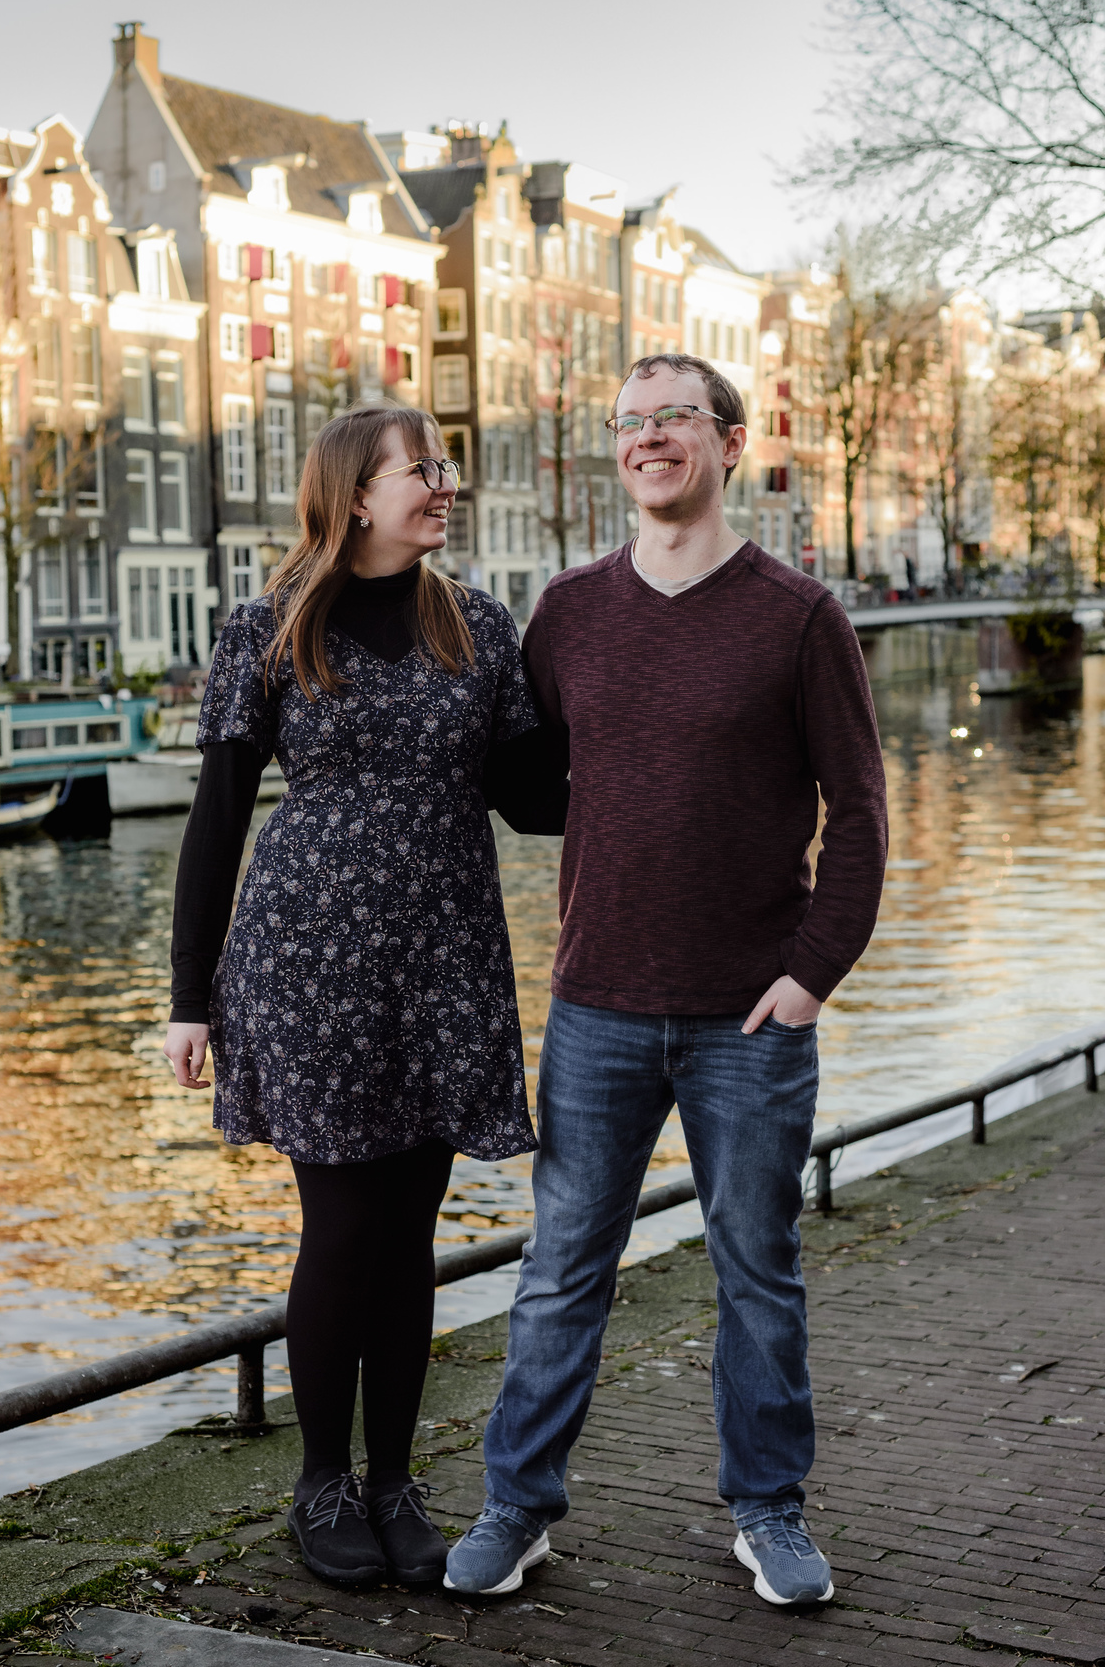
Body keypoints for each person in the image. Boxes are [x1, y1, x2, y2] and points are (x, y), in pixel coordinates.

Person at [445, 354, 888, 1606]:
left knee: (758, 1266)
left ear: (728, 443)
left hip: (753, 1011)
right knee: (561, 1269)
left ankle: (768, 1509)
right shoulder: (568, 612)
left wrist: (811, 975)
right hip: (596, 1005)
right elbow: (527, 788)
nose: (647, 440)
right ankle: (517, 1506)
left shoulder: (801, 616)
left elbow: (858, 813)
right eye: (628, 424)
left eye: (673, 419)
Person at [164, 405, 566, 1589]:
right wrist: (191, 998)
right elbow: (217, 819)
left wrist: (647, 729)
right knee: (343, 1227)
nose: (445, 485)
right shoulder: (271, 625)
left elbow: (530, 799)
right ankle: (322, 1483)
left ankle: (395, 1480)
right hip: (309, 963)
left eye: (445, 468)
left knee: (409, 1236)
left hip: (444, 960)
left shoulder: (478, 624)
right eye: (422, 471)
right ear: (354, 495)